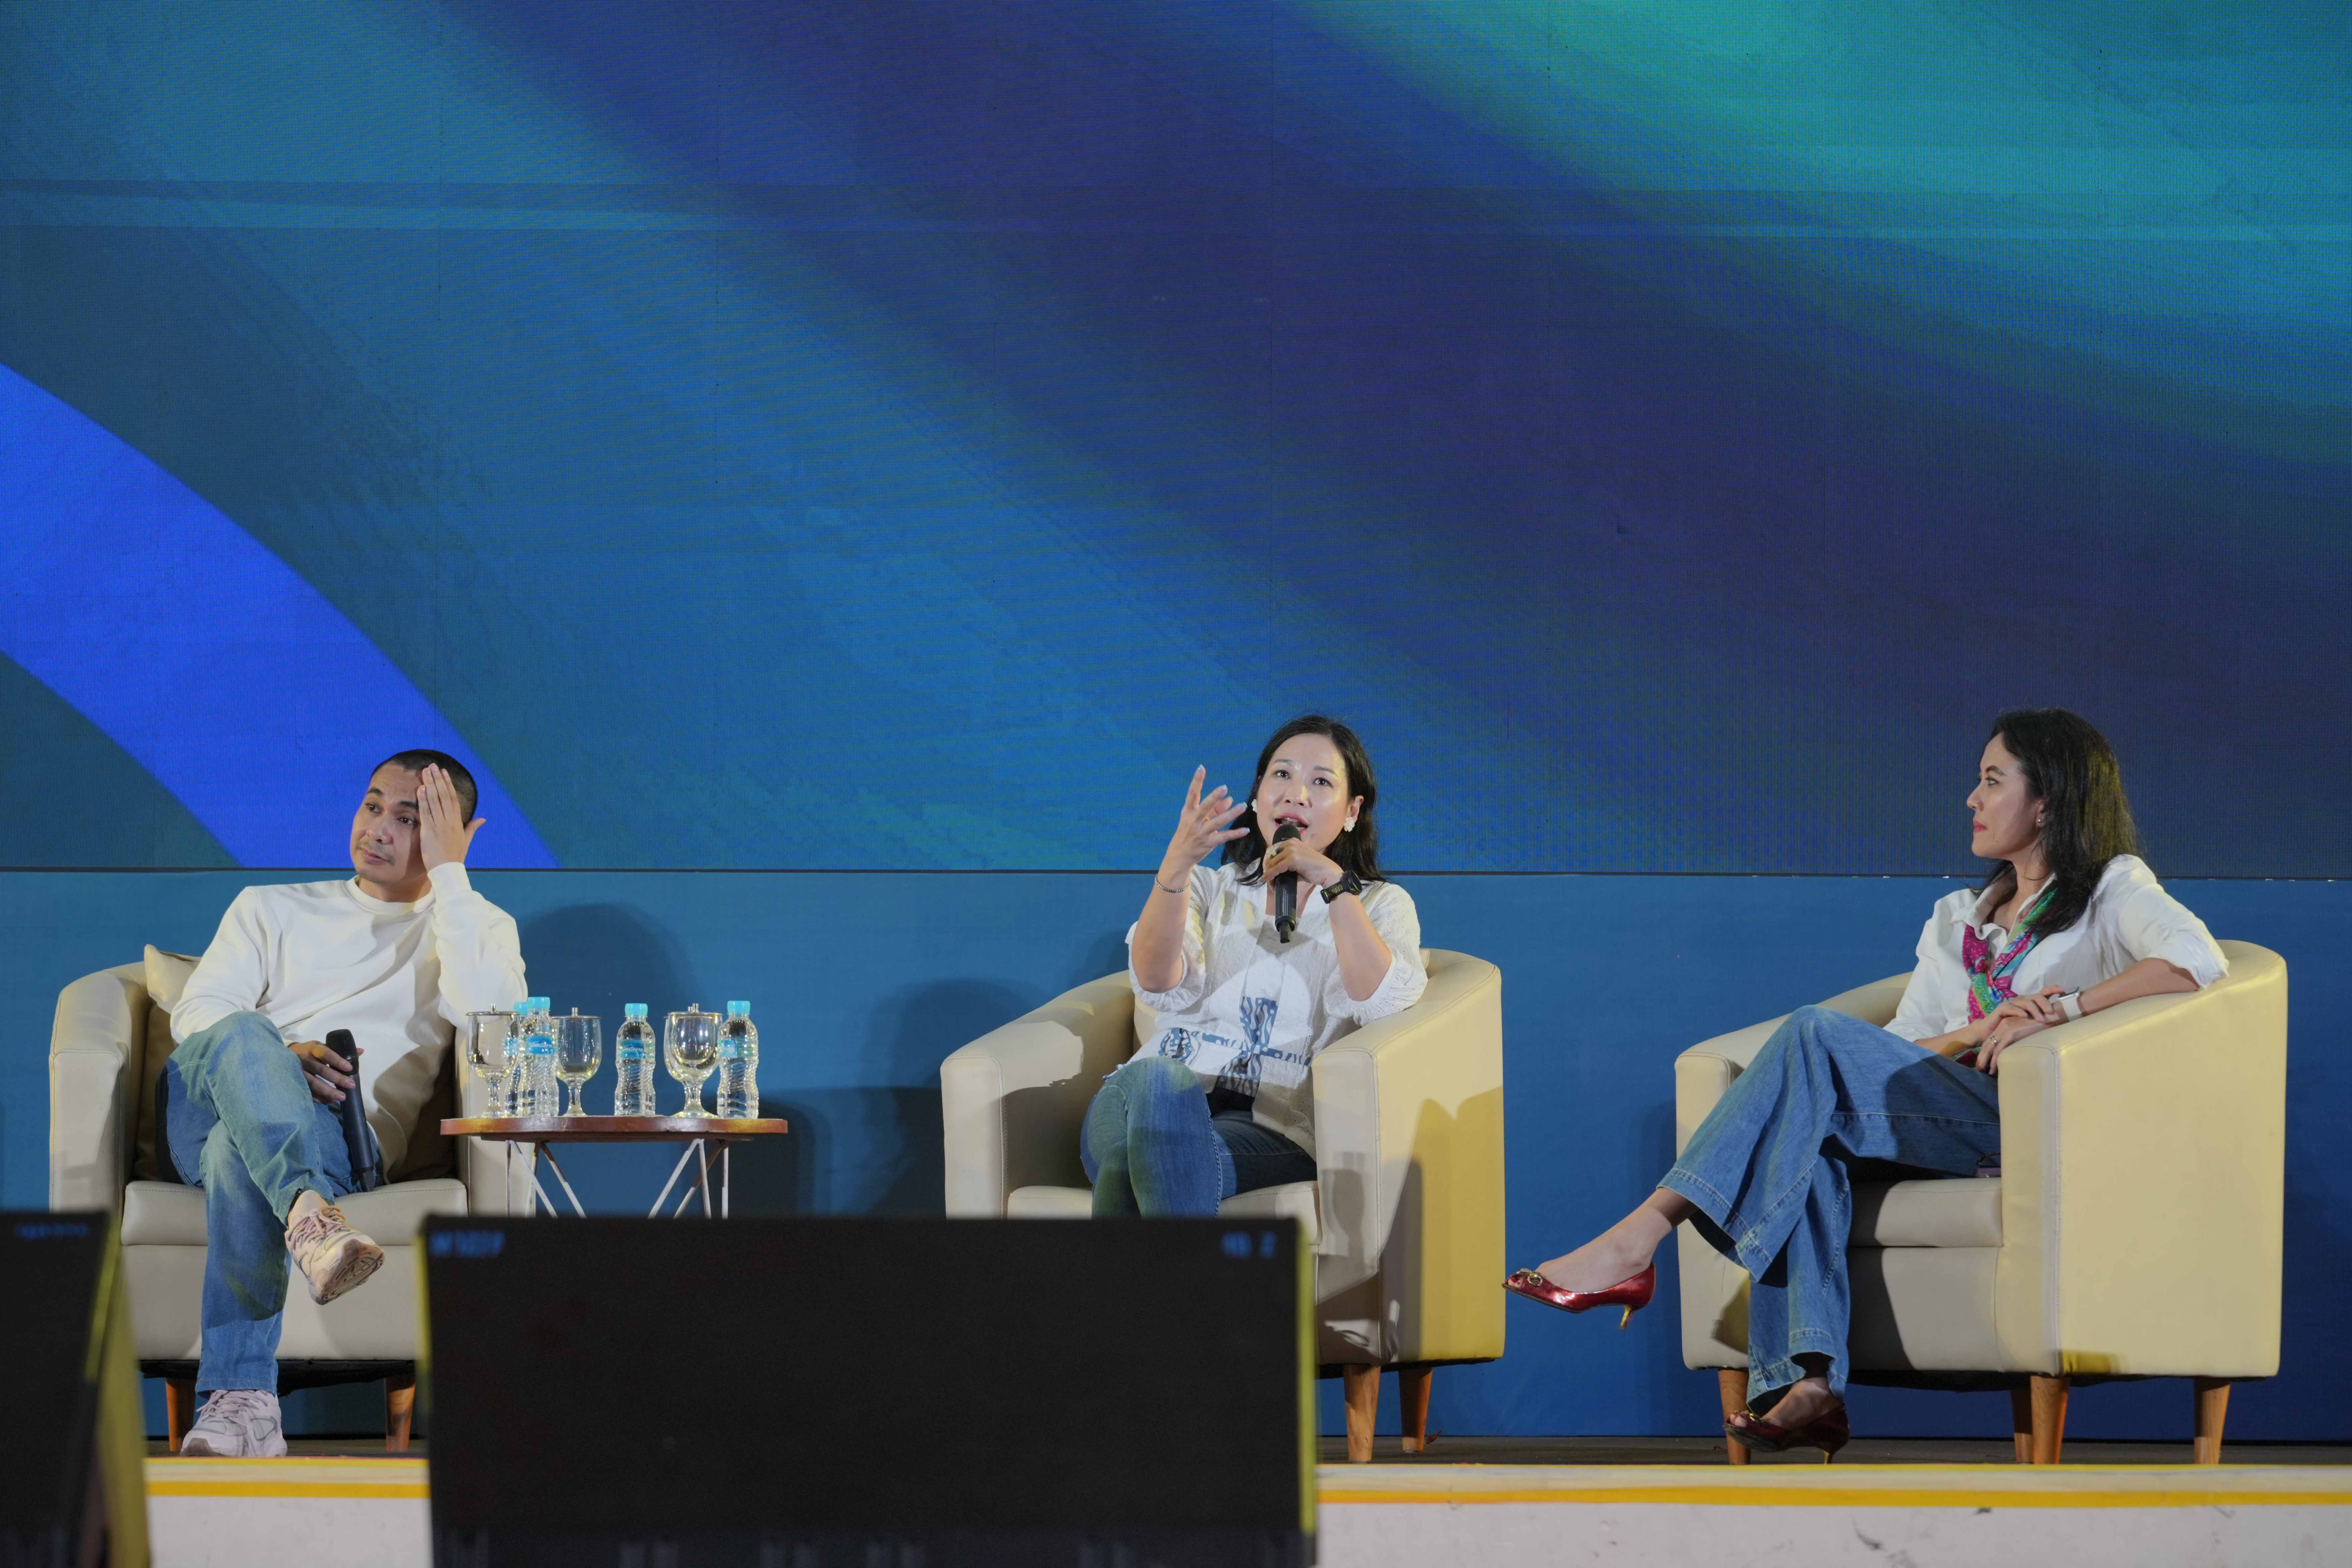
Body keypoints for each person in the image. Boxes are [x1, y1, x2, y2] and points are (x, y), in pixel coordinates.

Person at [1506, 709, 2227, 1458]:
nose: (1972, 799)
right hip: (1936, 1110)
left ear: (2048, 800)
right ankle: (1812, 1381)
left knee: (1813, 1031)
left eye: (1992, 781)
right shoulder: (1959, 918)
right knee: (1806, 1146)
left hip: (2024, 1119)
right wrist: (1975, 1030)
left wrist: (2066, 1010)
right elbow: (1904, 1046)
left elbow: (2195, 960)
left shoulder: (2112, 888)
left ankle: (1638, 1238)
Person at [165, 750, 527, 1457]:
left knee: (238, 1152)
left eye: (411, 819)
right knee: (241, 1031)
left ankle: (243, 1404)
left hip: (337, 1132)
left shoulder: (473, 925)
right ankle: (310, 1216)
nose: (379, 829)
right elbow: (198, 1014)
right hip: (206, 1102)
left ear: (457, 835)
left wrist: (451, 877)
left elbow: (497, 1023)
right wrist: (279, 1056)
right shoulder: (270, 906)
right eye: (372, 805)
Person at [1087, 716, 1428, 1216]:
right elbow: (1157, 981)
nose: (1296, 795)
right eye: (1282, 775)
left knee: (1128, 1166)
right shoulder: (1209, 888)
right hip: (1144, 1097)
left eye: (1321, 782)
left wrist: (1335, 885)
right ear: (1259, 793)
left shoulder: (1380, 905)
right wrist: (1176, 865)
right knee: (1161, 1082)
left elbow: (1380, 1001)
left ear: (1353, 811)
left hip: (1272, 1125)